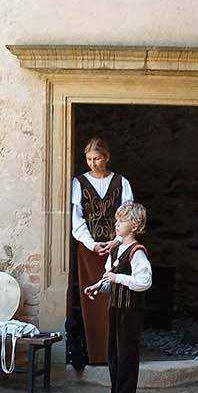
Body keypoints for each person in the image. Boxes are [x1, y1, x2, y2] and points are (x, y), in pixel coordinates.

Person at [69, 137, 135, 368]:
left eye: (97, 158)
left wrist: (117, 241)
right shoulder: (79, 183)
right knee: (93, 300)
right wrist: (91, 244)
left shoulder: (121, 182)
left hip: (118, 249)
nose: (92, 163)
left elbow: (129, 216)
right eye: (89, 159)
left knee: (117, 298)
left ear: (107, 157)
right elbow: (76, 219)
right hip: (90, 251)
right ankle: (97, 354)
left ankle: (118, 353)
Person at [84, 202, 151, 393]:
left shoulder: (137, 252)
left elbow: (144, 282)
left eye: (122, 221)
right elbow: (109, 278)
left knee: (127, 354)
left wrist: (118, 278)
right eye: (117, 220)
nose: (116, 224)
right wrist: (98, 286)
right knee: (113, 353)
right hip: (115, 307)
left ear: (135, 226)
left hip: (130, 310)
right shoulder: (115, 250)